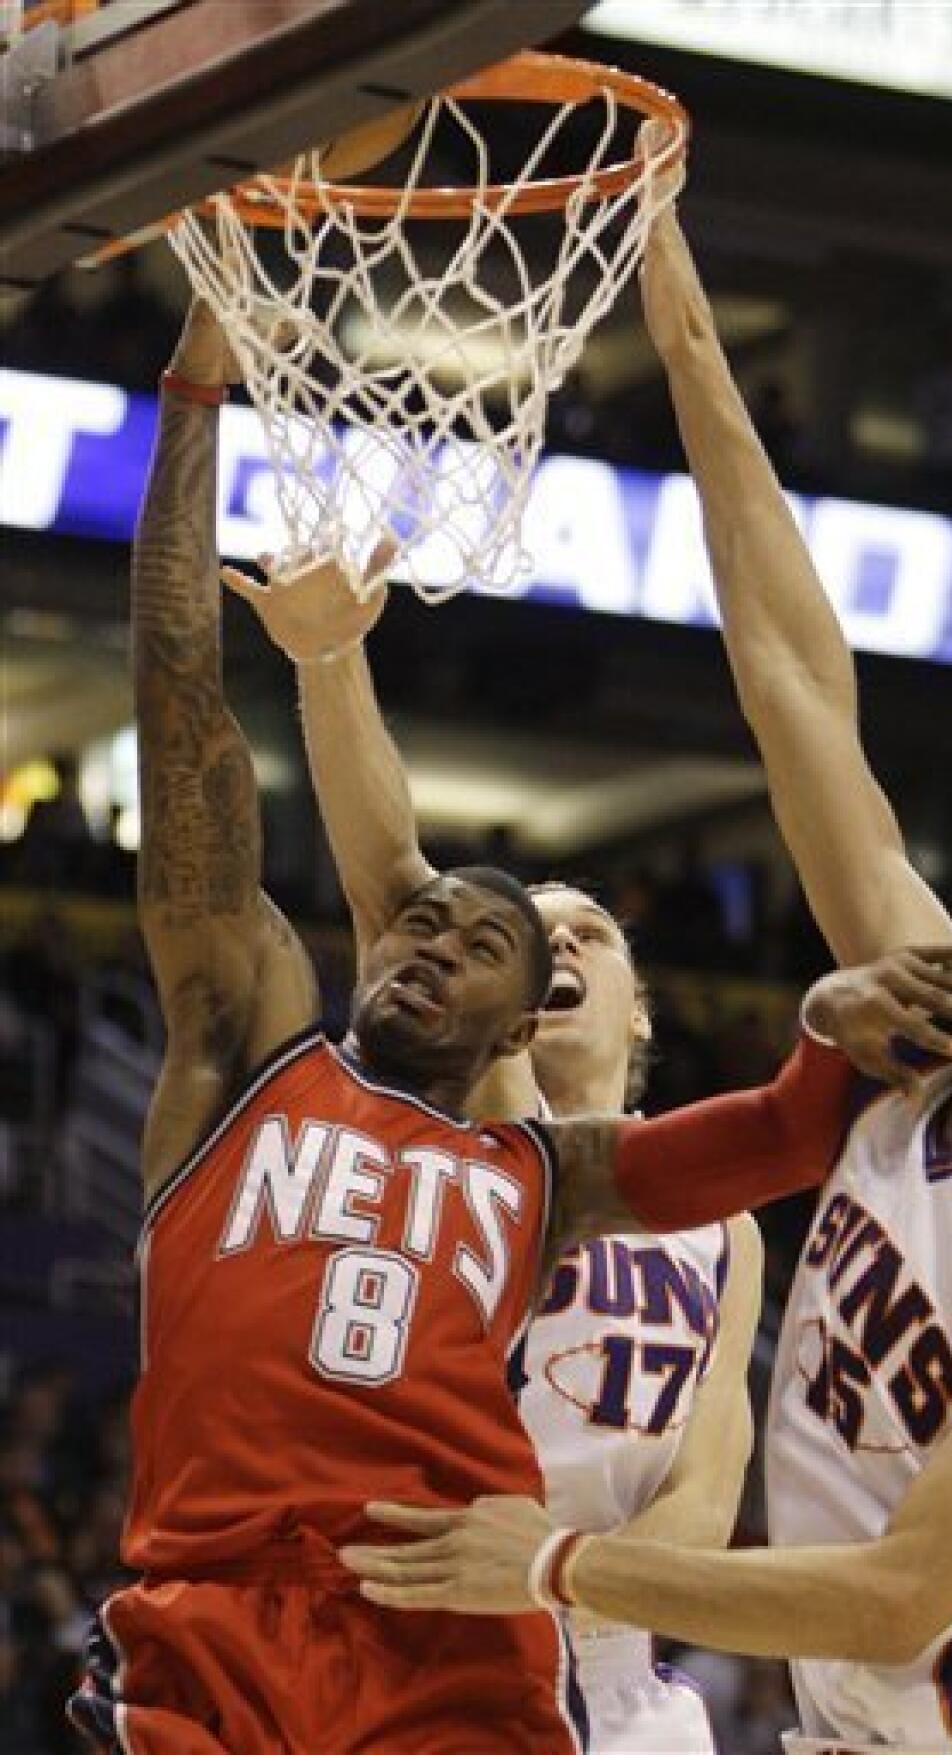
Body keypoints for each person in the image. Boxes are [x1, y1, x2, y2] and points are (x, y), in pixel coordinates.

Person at [340, 151, 952, 1755]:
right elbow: (799, 680)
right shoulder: (931, 1022)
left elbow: (896, 1594)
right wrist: (682, 329)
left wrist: (553, 1559)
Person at [65, 299, 952, 1755]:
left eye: (493, 939)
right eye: (421, 922)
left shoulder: (548, 1176)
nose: (435, 942)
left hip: (486, 1634)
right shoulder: (251, 1053)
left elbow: (772, 1139)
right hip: (223, 1617)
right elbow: (180, 693)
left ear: (540, 998)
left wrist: (832, 1019)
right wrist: (192, 396)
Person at [220, 565, 762, 1755]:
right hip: (433, 1622)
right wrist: (327, 656)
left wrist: (568, 1577)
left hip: (613, 1654)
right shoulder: (484, 1120)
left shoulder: (727, 1232)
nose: (559, 938)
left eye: (593, 933)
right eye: (532, 937)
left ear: (639, 1016)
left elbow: (706, 1496)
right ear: (508, 1014)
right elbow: (388, 875)